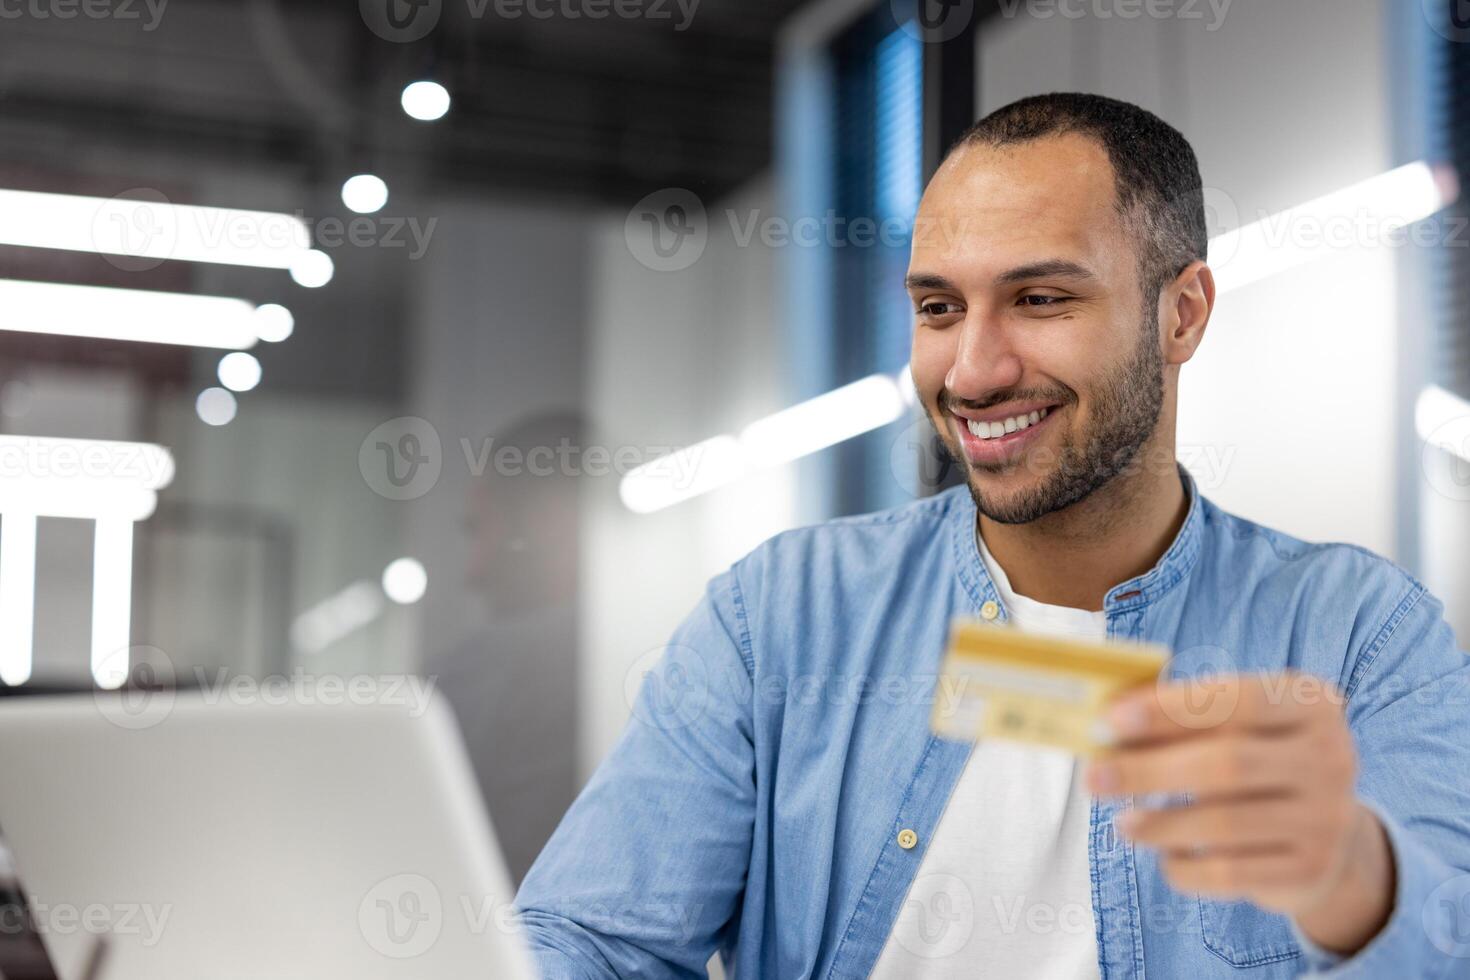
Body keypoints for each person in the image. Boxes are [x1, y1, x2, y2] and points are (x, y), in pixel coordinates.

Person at [514, 93, 1470, 978]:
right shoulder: (782, 618)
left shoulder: (1358, 635)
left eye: (1040, 299)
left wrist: (1357, 878)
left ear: (1181, 314)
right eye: (939, 309)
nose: (971, 372)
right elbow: (590, 940)